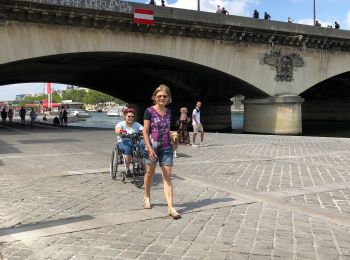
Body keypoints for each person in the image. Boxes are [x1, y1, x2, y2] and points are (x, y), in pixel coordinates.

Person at [143, 84, 181, 219]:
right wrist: (149, 148)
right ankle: (147, 195)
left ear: (168, 98)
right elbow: (145, 131)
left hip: (166, 147)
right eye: (159, 96)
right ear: (155, 97)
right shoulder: (149, 111)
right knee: (149, 173)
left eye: (165, 96)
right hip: (152, 147)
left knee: (167, 176)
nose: (162, 98)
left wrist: (172, 138)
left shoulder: (169, 111)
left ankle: (171, 207)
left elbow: (167, 127)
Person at [115, 108, 145, 177]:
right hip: (123, 141)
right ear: (125, 117)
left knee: (142, 144)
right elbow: (117, 130)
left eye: (132, 116)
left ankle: (139, 164)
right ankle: (127, 169)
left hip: (135, 141)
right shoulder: (121, 124)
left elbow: (143, 130)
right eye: (129, 116)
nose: (131, 118)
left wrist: (142, 132)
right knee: (128, 148)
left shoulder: (137, 124)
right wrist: (123, 132)